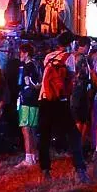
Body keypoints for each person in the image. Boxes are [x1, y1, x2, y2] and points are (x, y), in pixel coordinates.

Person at [34, 40, 88, 180]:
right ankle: (80, 169)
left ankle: (45, 170)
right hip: (60, 100)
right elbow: (71, 77)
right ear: (70, 44)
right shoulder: (69, 57)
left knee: (44, 135)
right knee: (74, 134)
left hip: (45, 98)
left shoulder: (48, 57)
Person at [13, 43, 41, 167]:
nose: (20, 55)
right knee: (33, 128)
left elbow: (25, 82)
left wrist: (28, 85)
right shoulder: (37, 65)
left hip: (26, 99)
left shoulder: (25, 67)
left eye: (21, 53)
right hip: (34, 100)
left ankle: (28, 158)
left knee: (26, 128)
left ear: (26, 53)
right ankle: (34, 155)